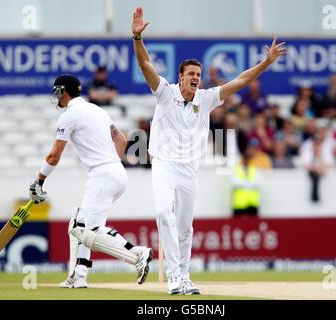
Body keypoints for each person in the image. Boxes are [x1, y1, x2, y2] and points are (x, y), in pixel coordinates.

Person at [131, 6, 286, 295]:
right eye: (191, 73)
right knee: (164, 214)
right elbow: (145, 66)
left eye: (199, 74)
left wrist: (265, 63)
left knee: (185, 226)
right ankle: (174, 278)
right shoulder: (165, 92)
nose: (195, 77)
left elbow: (240, 81)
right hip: (164, 164)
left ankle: (185, 277)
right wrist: (137, 38)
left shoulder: (206, 98)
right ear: (180, 77)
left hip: (190, 168)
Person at [28, 74, 153, 289]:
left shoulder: (69, 116)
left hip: (102, 174)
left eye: (57, 92)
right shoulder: (97, 110)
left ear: (63, 92)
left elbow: (53, 156)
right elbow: (122, 140)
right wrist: (111, 162)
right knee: (78, 224)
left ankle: (136, 255)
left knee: (84, 229)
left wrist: (39, 181)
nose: (56, 96)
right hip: (116, 171)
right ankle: (78, 276)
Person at [232, 147, 263, 217]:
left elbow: (258, 184)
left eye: (248, 158)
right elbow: (234, 183)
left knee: (253, 225)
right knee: (237, 224)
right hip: (239, 203)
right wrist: (249, 183)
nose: (246, 160)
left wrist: (243, 183)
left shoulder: (254, 169)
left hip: (252, 203)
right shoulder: (236, 169)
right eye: (245, 157)